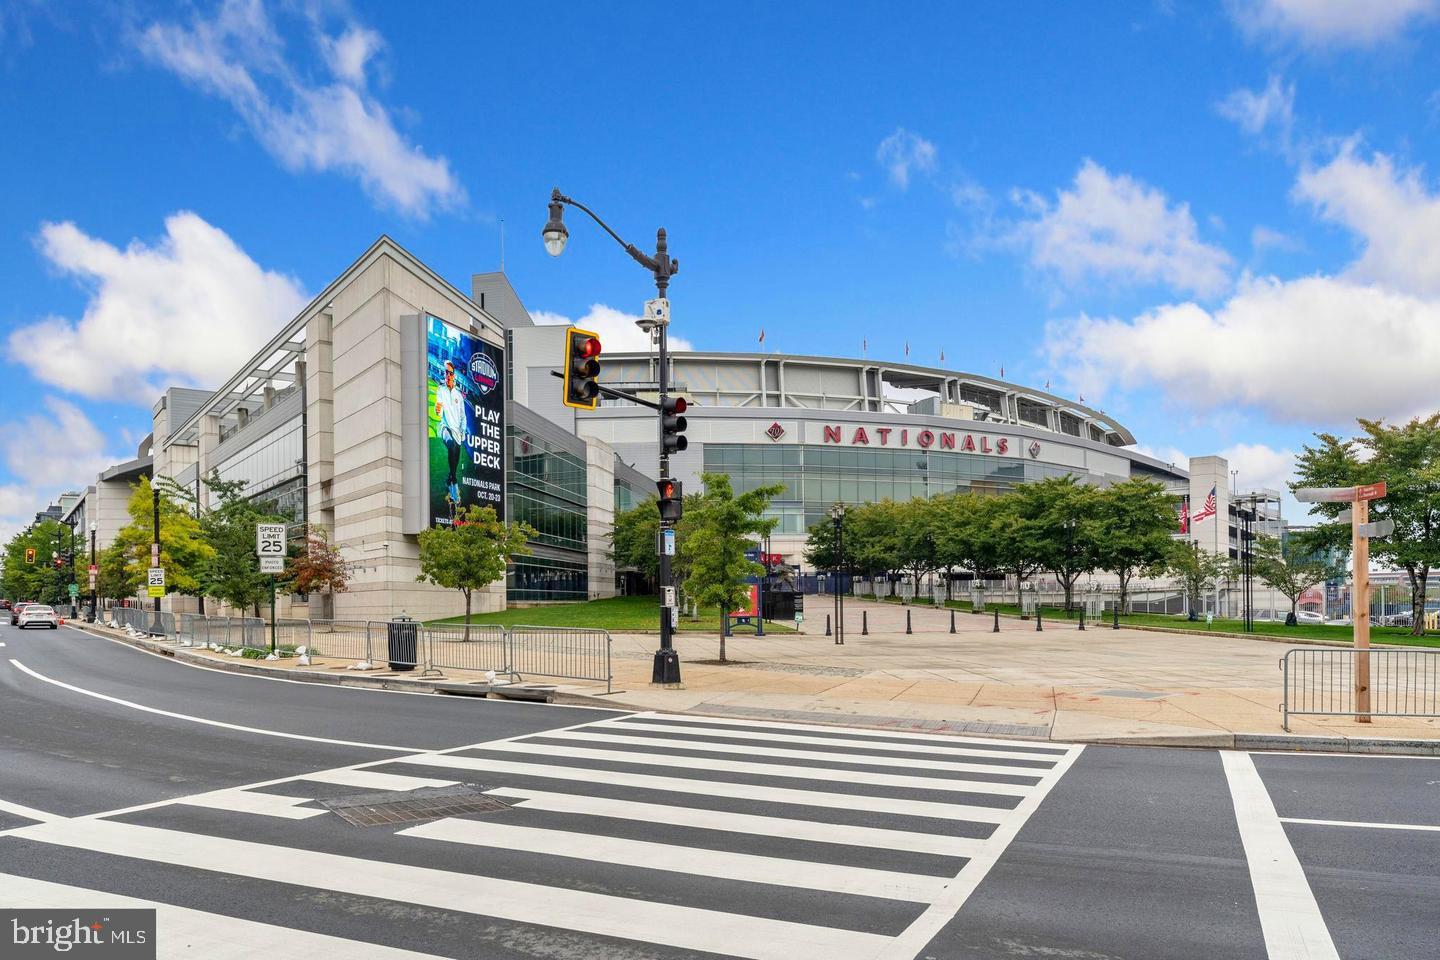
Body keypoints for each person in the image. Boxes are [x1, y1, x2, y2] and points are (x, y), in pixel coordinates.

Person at [434, 360, 468, 507]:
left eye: (450, 373)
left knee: (455, 458)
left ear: (454, 375)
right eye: (446, 372)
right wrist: (438, 409)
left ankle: (450, 478)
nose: (448, 375)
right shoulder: (440, 390)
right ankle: (454, 482)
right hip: (445, 428)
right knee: (451, 445)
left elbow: (463, 417)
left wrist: (462, 431)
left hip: (457, 433)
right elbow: (439, 410)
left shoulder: (458, 395)